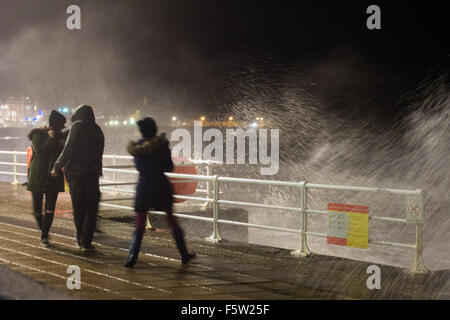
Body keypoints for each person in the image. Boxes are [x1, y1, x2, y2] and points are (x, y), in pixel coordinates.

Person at [124, 117, 196, 268]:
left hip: (143, 186)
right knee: (171, 220)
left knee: (139, 224)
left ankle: (132, 257)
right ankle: (184, 254)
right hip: (160, 185)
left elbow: (138, 165)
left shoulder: (137, 148)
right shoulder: (162, 147)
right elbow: (169, 167)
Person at [51, 105, 104, 252]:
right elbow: (99, 153)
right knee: (91, 209)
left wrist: (57, 166)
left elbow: (68, 150)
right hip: (92, 175)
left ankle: (80, 238)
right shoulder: (98, 130)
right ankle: (87, 242)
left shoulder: (77, 127)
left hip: (76, 175)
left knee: (78, 208)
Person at [27, 110, 67, 246]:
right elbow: (42, 152)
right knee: (37, 209)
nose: (63, 128)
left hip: (53, 176)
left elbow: (64, 154)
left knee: (50, 209)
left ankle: (44, 236)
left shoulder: (61, 137)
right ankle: (44, 231)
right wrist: (50, 138)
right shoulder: (38, 134)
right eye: (61, 125)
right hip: (38, 175)